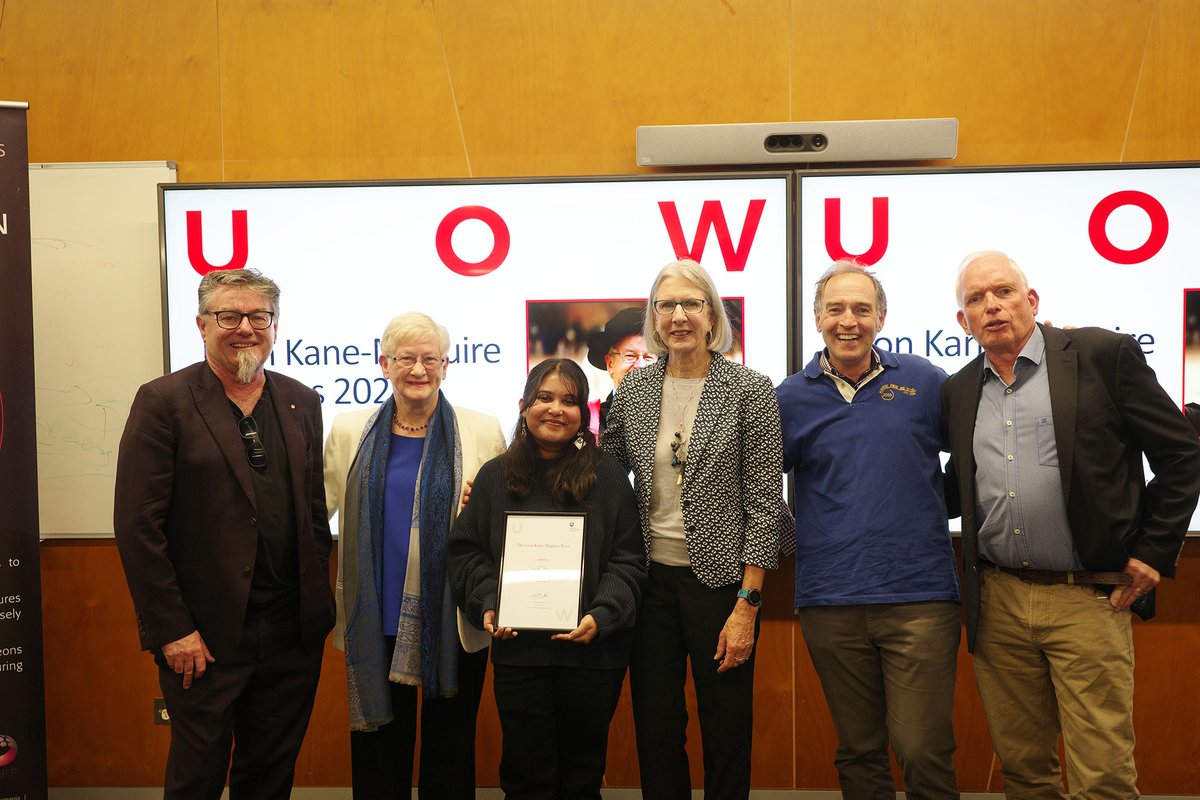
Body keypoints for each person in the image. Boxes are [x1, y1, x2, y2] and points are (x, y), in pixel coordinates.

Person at [943, 251, 1200, 799]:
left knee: (1102, 774)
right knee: (1024, 771)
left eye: (1003, 292)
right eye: (975, 299)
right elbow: (953, 486)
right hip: (999, 601)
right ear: (961, 321)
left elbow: (1182, 456)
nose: (991, 306)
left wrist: (1155, 551)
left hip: (1088, 599)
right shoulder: (960, 389)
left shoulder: (1102, 355)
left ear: (1031, 301)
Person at [113, 268, 335, 800]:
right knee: (198, 776)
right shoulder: (164, 401)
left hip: (290, 634)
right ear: (201, 325)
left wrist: (316, 609)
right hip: (204, 639)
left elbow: (311, 514)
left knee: (270, 775)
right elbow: (138, 526)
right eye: (229, 316)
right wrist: (172, 629)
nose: (245, 328)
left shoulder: (301, 401)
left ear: (275, 326)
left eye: (258, 316)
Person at [601, 258, 786, 799]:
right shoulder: (632, 392)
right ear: (653, 318)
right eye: (667, 305)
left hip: (722, 585)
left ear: (712, 315)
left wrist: (747, 605)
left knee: (725, 729)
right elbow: (606, 478)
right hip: (648, 583)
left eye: (691, 304)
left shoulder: (750, 388)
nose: (678, 315)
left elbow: (763, 504)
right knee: (657, 729)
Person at [776, 260, 961, 800]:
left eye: (861, 309)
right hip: (830, 601)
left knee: (923, 748)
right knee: (858, 751)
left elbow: (974, 457)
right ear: (817, 319)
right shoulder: (790, 397)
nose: (848, 321)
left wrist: (928, 507)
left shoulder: (924, 381)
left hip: (920, 598)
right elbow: (760, 489)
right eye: (835, 309)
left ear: (881, 316)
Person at [322, 312, 506, 799]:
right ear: (384, 364)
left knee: (451, 746)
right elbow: (318, 514)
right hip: (376, 614)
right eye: (406, 358)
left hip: (454, 616)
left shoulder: (482, 430)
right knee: (381, 748)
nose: (418, 370)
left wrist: (478, 506)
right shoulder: (348, 429)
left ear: (447, 365)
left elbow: (504, 519)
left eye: (430, 359)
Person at [447, 358, 645, 799]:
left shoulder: (609, 475)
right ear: (523, 406)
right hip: (520, 654)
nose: (556, 409)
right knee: (525, 777)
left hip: (593, 654)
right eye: (545, 398)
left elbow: (629, 559)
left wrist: (603, 613)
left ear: (583, 413)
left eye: (569, 401)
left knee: (581, 775)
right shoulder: (495, 476)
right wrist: (488, 602)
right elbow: (466, 552)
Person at [585, 306, 657, 436]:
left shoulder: (676, 418)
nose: (641, 365)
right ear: (610, 364)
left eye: (648, 357)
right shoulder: (589, 421)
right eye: (630, 356)